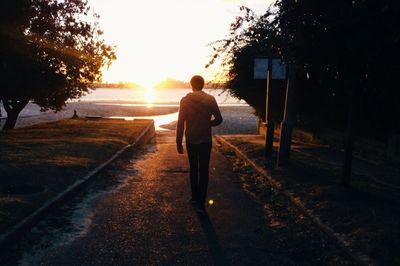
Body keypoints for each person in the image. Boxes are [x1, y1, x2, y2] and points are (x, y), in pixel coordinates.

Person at [176, 75, 223, 214]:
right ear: (203, 85)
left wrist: (179, 142)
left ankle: (194, 197)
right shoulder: (210, 99)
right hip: (205, 140)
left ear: (191, 85)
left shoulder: (185, 101)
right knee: (204, 171)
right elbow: (219, 119)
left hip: (191, 140)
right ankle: (201, 203)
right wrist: (208, 123)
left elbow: (180, 122)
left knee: (193, 169)